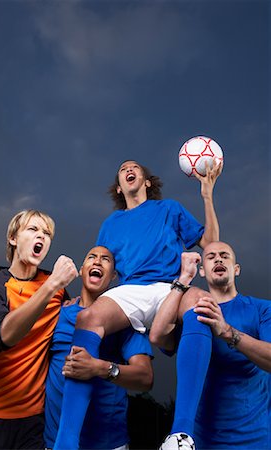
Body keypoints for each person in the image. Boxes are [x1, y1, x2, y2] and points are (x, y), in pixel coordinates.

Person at [54, 159, 222, 450]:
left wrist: (207, 195)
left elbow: (210, 243)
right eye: (122, 169)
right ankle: (65, 444)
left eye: (135, 168)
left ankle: (181, 435)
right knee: (88, 318)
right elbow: (102, 267)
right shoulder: (111, 224)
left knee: (201, 303)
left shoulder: (168, 208)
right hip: (130, 290)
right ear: (119, 188)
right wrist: (83, 299)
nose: (129, 169)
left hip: (172, 286)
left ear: (146, 182)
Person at [0, 209, 78, 450]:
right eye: (33, 229)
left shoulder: (58, 291)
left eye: (47, 233)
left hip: (32, 422)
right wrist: (51, 285)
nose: (42, 236)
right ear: (13, 238)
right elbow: (4, 336)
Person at [151, 241, 271, 449]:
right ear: (202, 271)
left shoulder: (262, 309)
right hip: (200, 441)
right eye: (211, 256)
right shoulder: (191, 312)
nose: (218, 258)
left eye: (225, 255)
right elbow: (157, 336)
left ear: (236, 269)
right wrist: (184, 279)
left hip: (255, 439)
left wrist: (227, 332)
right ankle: (179, 436)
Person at [44, 245, 153, 450]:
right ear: (82, 269)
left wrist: (99, 368)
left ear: (113, 276)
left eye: (105, 259)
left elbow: (145, 378)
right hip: (55, 442)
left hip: (108, 444)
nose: (97, 261)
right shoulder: (58, 313)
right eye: (91, 257)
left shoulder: (127, 321)